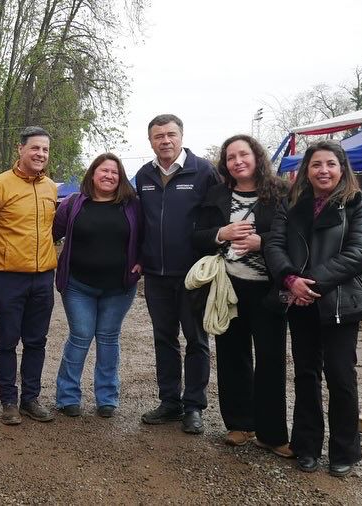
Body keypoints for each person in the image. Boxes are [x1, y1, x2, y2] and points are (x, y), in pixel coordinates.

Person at [264, 140, 362, 477]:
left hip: (340, 303)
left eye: (330, 164)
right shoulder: (291, 203)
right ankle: (307, 446)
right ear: (306, 171)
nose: (323, 170)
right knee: (306, 375)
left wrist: (308, 283)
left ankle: (344, 450)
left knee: (342, 377)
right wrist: (289, 279)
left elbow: (360, 252)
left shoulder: (358, 204)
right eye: (316, 165)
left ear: (342, 168)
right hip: (299, 302)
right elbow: (274, 244)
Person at [192, 135, 291, 456]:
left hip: (268, 288)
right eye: (231, 157)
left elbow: (295, 235)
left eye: (243, 154)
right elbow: (198, 236)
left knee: (271, 360)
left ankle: (273, 434)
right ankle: (239, 424)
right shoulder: (218, 194)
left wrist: (262, 242)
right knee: (233, 357)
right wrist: (222, 233)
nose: (238, 161)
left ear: (256, 157)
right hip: (229, 288)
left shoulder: (280, 192)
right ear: (225, 164)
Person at [134, 114, 219, 434]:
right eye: (158, 136)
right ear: (151, 141)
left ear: (181, 136)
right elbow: (138, 220)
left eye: (170, 134)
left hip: (194, 274)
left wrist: (212, 259)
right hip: (156, 274)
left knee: (197, 339)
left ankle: (194, 406)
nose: (165, 140)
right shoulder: (143, 175)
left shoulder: (204, 172)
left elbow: (217, 216)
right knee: (164, 339)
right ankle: (169, 401)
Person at [0, 127, 58, 425]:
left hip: (44, 276)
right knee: (7, 341)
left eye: (45, 150)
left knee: (37, 340)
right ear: (19, 150)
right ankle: (8, 400)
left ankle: (30, 398)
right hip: (8, 277)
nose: (40, 154)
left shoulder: (50, 188)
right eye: (35, 148)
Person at [52, 153, 140, 418]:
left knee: (108, 339)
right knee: (80, 336)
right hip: (78, 286)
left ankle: (107, 398)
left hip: (119, 288)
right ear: (92, 174)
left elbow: (147, 236)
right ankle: (67, 396)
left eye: (115, 172)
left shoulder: (133, 205)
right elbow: (50, 234)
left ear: (121, 177)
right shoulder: (73, 203)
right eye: (104, 171)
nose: (109, 176)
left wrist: (143, 261)